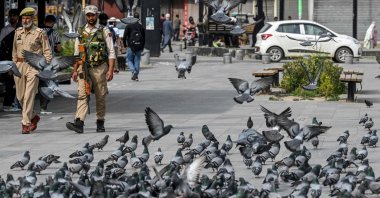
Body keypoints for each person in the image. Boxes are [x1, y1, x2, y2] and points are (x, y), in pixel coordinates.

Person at [66, 5, 116, 133]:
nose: (90, 18)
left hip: (99, 68)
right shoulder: (80, 31)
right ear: (86, 16)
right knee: (82, 95)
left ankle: (100, 121)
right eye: (88, 15)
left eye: (92, 15)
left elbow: (111, 52)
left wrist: (110, 70)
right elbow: (77, 53)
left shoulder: (104, 31)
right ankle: (79, 123)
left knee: (100, 96)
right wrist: (75, 70)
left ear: (96, 15)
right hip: (84, 68)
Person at [12, 7, 52, 134]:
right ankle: (33, 116)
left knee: (29, 95)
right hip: (19, 66)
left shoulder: (40, 33)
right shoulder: (17, 32)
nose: (25, 20)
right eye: (23, 18)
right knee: (20, 96)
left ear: (32, 19)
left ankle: (26, 123)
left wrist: (44, 66)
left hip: (33, 67)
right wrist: (13, 65)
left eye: (28, 18)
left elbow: (47, 52)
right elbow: (14, 51)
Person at [39, 14, 62, 115]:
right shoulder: (55, 33)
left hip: (37, 62)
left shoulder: (37, 32)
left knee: (39, 84)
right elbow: (58, 49)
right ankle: (43, 107)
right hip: (48, 63)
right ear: (52, 23)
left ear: (45, 21)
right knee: (52, 84)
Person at [0, 9, 21, 112]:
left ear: (17, 17)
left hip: (19, 59)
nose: (12, 17)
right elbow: (2, 46)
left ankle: (15, 104)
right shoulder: (5, 30)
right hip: (8, 59)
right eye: (11, 16)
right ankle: (7, 105)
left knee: (18, 83)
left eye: (14, 15)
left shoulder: (21, 29)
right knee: (10, 83)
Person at [123, 12, 145, 81]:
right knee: (137, 61)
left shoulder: (129, 25)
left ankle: (133, 71)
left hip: (130, 46)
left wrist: (125, 45)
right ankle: (136, 76)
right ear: (139, 18)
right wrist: (142, 47)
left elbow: (124, 36)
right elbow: (144, 38)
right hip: (139, 45)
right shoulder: (141, 26)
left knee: (129, 60)